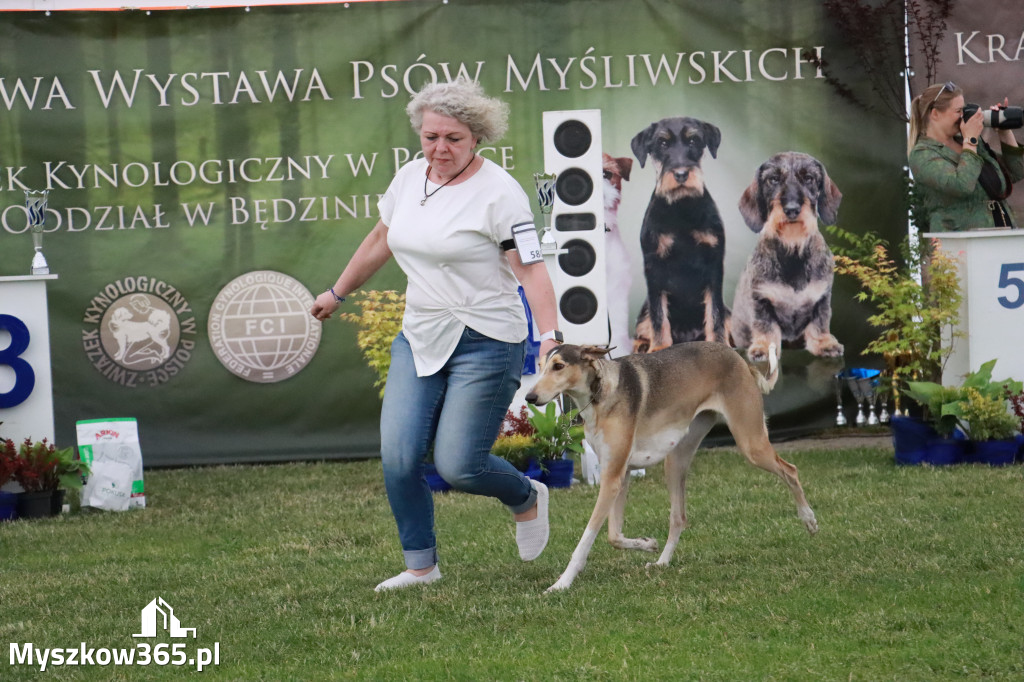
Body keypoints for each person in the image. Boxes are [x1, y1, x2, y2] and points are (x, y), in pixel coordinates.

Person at [310, 78, 562, 592]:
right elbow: (382, 238)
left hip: (488, 338)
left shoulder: (502, 195)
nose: (439, 149)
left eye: (453, 139)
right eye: (430, 137)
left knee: (459, 465)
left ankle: (526, 496)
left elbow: (532, 270)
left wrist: (549, 334)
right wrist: (337, 293)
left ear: (476, 139)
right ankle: (421, 566)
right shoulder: (408, 179)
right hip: (420, 334)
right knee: (399, 457)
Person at [908, 81, 1023, 232]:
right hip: (959, 243)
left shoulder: (967, 142)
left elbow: (1016, 171)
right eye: (958, 111)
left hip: (1000, 234)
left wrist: (1004, 130)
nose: (963, 117)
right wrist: (971, 141)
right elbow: (962, 186)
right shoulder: (922, 154)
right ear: (935, 114)